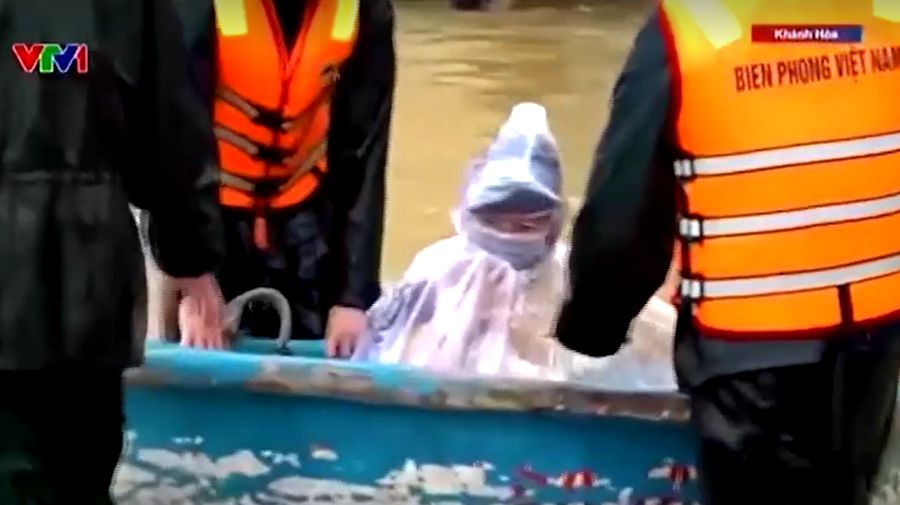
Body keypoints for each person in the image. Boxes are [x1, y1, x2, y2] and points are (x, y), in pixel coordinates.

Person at [555, 1, 900, 504]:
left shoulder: (690, 27)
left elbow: (621, 221)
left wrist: (591, 332)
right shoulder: (884, 16)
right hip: (873, 350)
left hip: (749, 361)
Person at [0, 0, 226, 502]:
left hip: (76, 276)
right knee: (76, 468)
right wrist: (192, 260)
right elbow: (172, 140)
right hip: (86, 281)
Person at [353, 103, 678, 385]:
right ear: (471, 215)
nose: (510, 235)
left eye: (528, 223)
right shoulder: (439, 269)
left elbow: (647, 341)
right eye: (496, 222)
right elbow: (382, 342)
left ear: (553, 224)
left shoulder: (575, 280)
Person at [163, 0, 396, 357]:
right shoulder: (192, 9)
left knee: (326, 361)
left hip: (306, 228)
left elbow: (362, 154)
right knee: (198, 361)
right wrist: (192, 276)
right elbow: (168, 141)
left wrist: (353, 296)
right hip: (209, 222)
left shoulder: (366, 9)